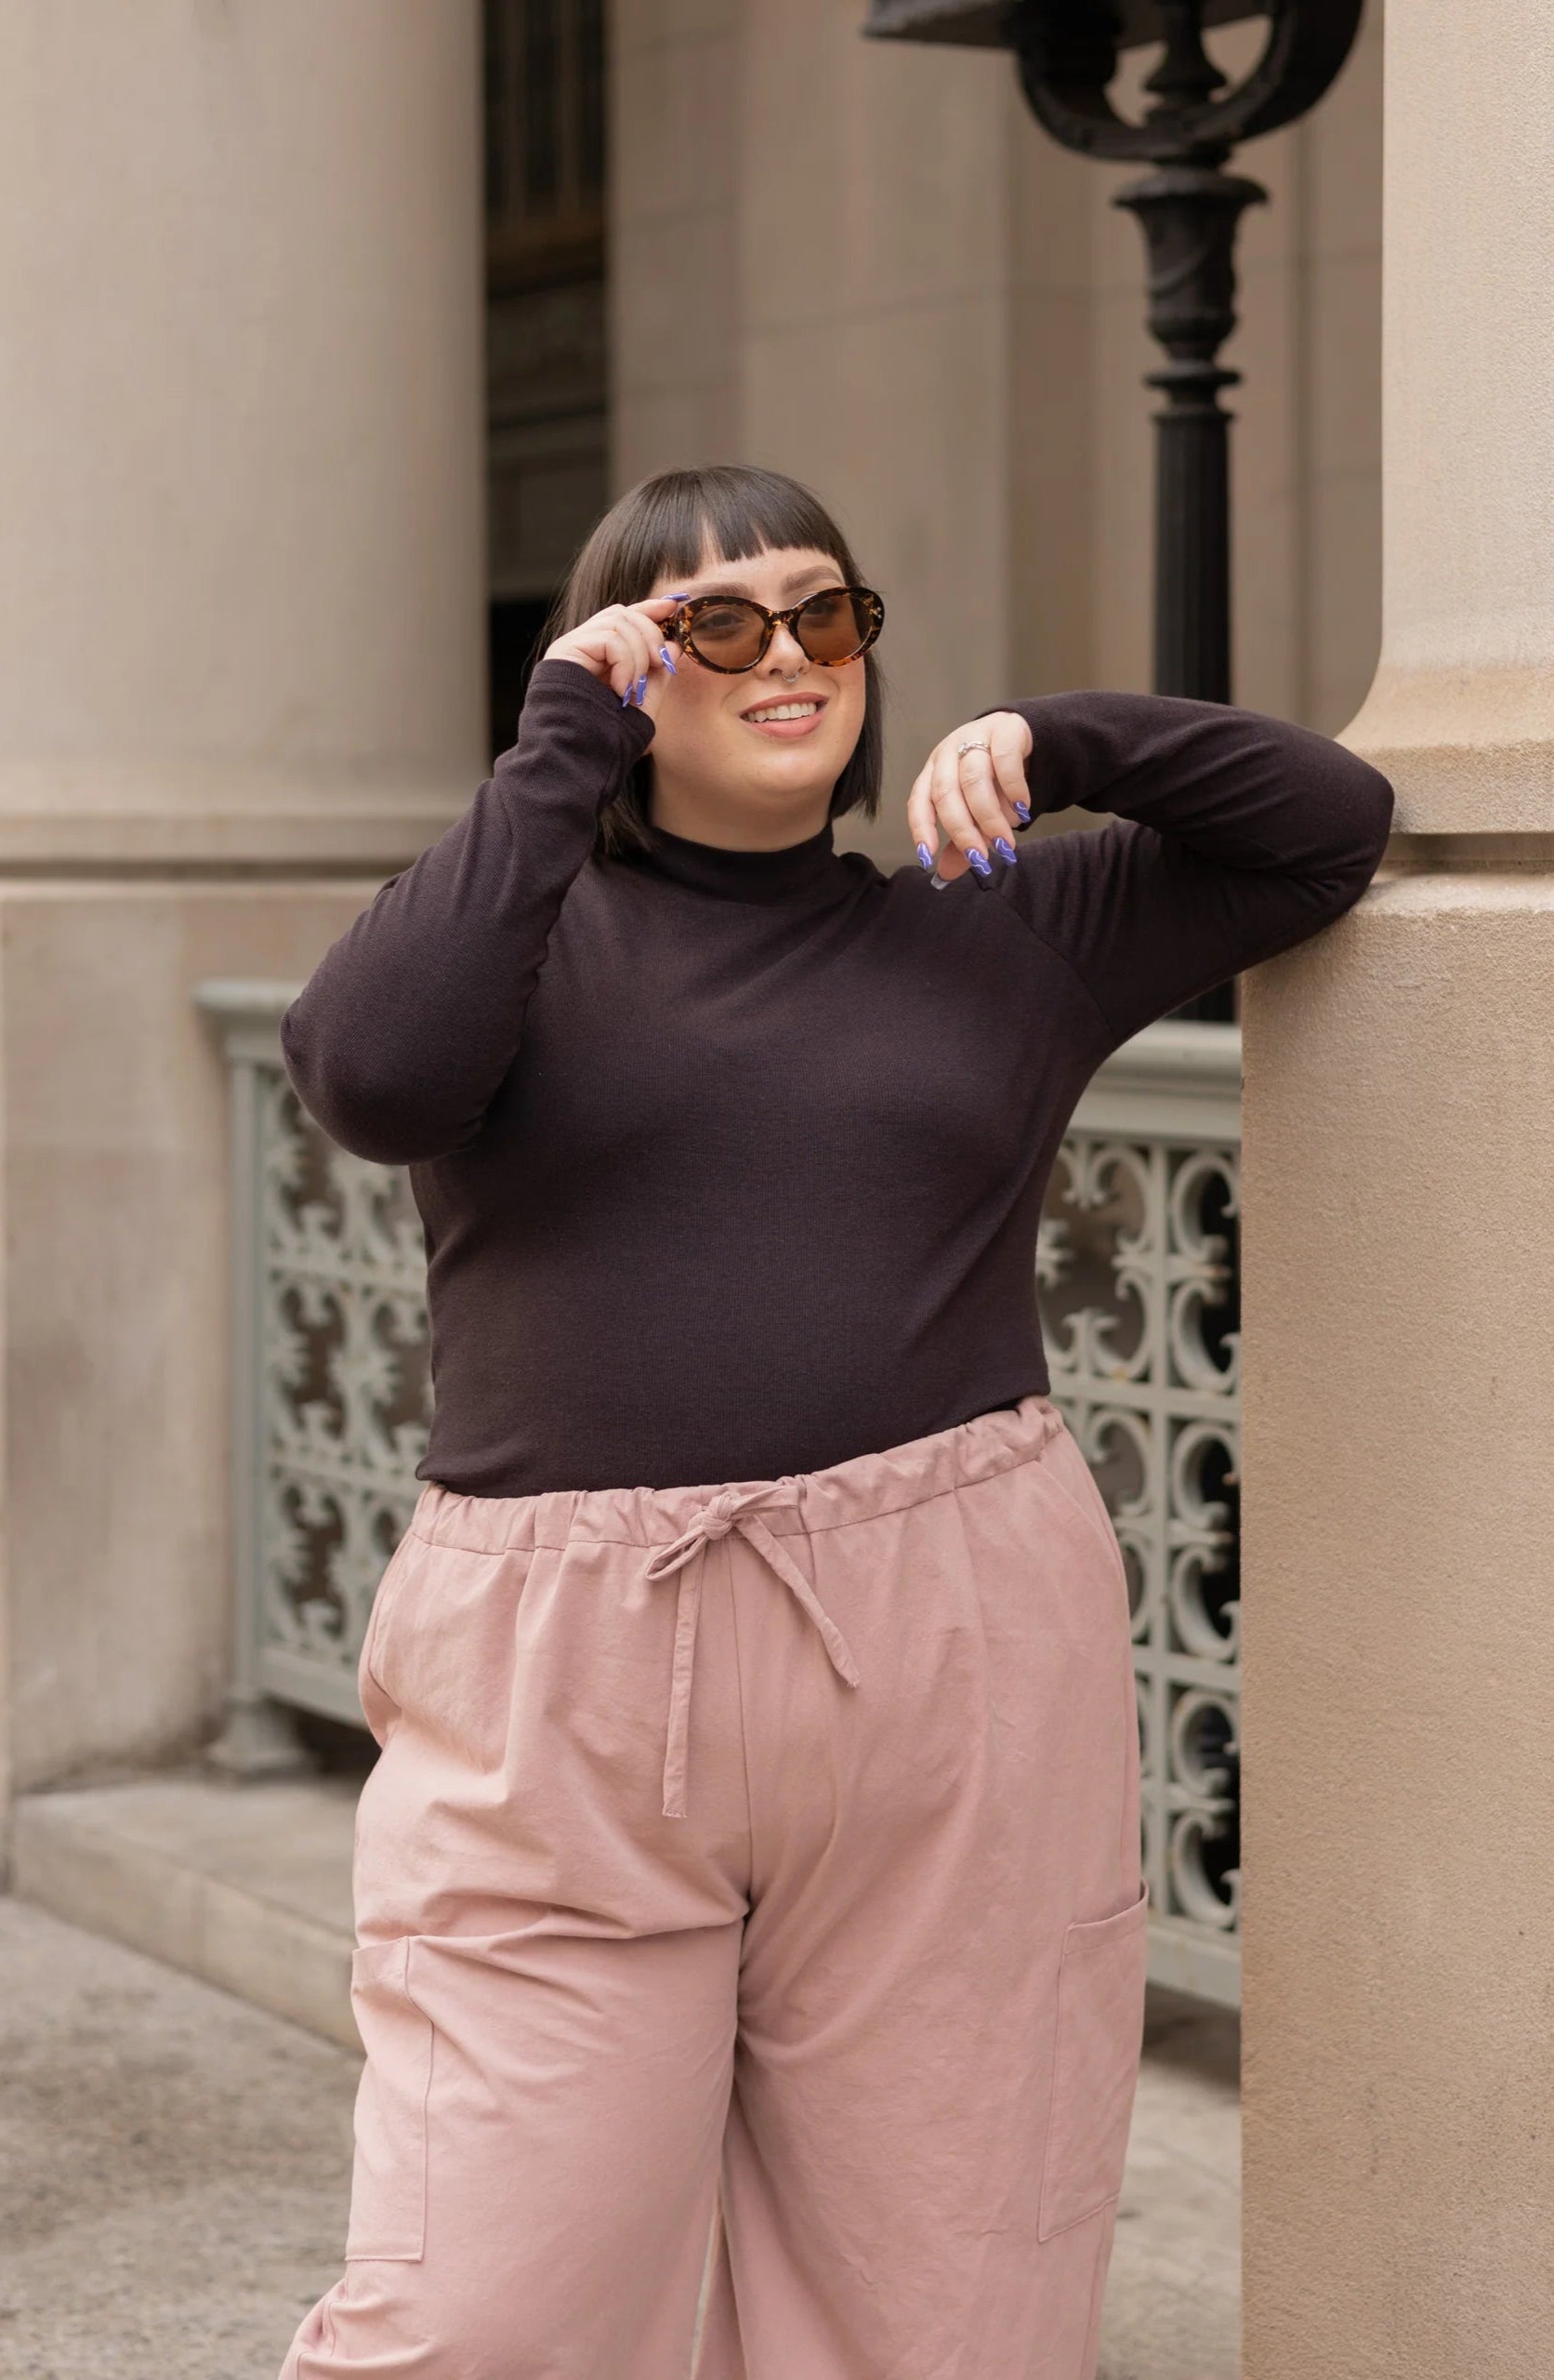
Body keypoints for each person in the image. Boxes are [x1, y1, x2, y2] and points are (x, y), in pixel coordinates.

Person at [275, 463, 1392, 2380]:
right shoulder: (515, 935)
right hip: (563, 1683)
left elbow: (1324, 829)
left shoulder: (995, 925)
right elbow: (371, 1075)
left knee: (941, 2285)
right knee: (471, 2305)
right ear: (626, 670)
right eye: (713, 622)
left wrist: (1063, 737)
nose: (783, 653)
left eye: (822, 611)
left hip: (947, 1638)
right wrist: (555, 746)